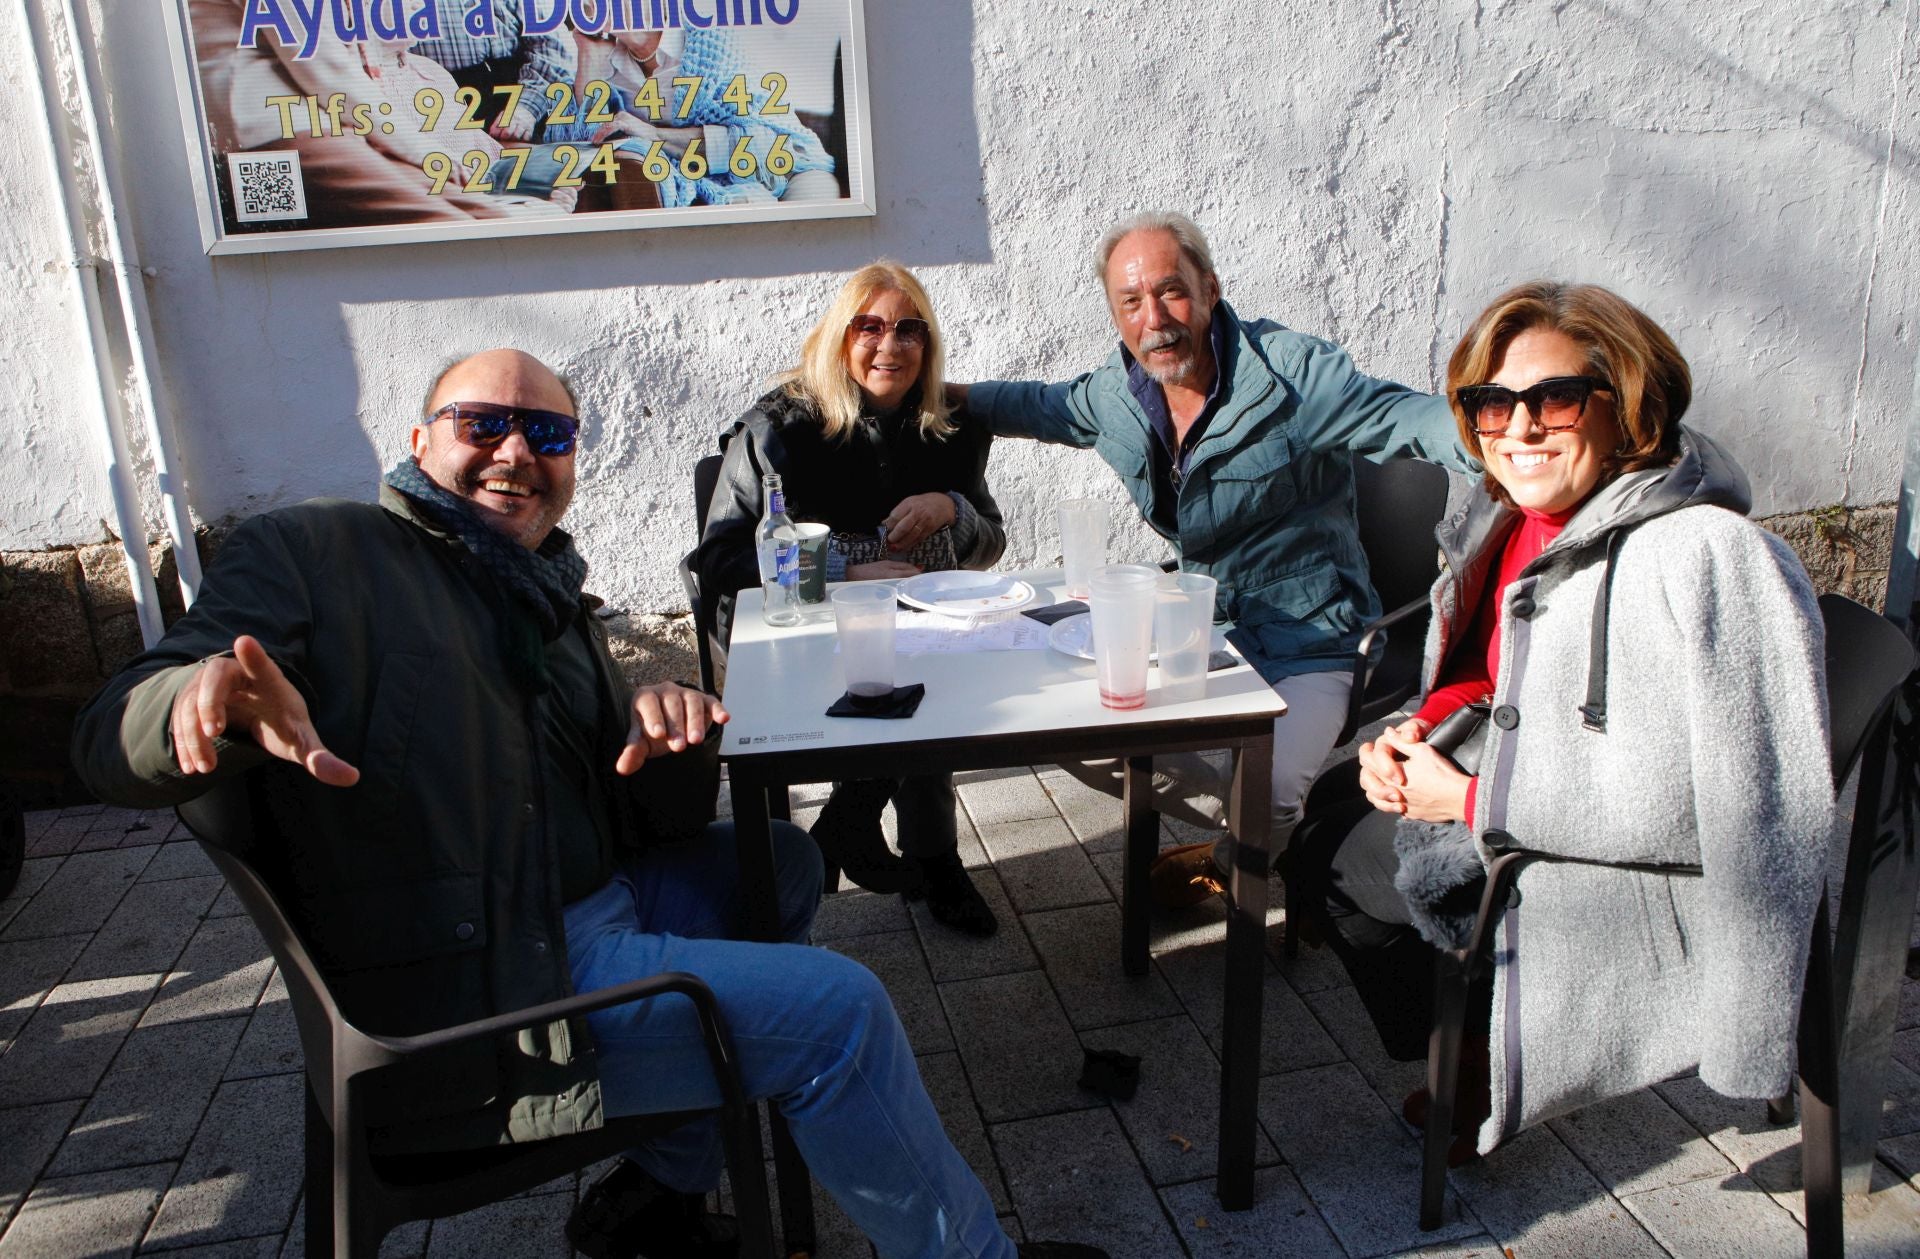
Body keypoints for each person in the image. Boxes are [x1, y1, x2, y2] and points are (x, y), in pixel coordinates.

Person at [70, 350, 1103, 1259]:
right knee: (842, 1012)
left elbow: (644, 821)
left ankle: (660, 1191)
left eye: (547, 431)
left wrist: (661, 727)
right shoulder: (315, 554)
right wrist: (192, 704)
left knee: (781, 863)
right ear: (421, 440)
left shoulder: (545, 594)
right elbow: (111, 729)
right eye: (484, 423)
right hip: (482, 996)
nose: (515, 451)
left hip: (566, 906)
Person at [1294, 281, 1833, 1161]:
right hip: (1524, 787)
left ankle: (1483, 1054)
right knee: (1318, 827)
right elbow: (1480, 668)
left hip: (1620, 873)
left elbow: (1734, 810)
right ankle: (1472, 1043)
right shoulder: (1517, 519)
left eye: (1555, 397)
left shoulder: (1710, 554)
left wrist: (1469, 800)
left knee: (1358, 862)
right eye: (1492, 403)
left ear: (1624, 407)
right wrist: (1413, 735)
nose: (1519, 427)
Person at [954, 212, 1474, 908]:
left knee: (1271, 786)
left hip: (1315, 639)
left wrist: (1507, 429)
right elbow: (1036, 406)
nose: (1155, 319)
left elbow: (1405, 418)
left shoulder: (1291, 376)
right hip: (1204, 632)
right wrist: (931, 395)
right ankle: (1261, 822)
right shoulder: (1116, 396)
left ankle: (1242, 848)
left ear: (1209, 289)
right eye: (1131, 301)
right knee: (1070, 728)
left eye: (1171, 291)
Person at [696, 263, 1007, 936]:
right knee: (903, 657)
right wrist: (837, 571)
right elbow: (718, 560)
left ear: (928, 345)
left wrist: (950, 507)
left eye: (908, 330)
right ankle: (887, 834)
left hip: (907, 617)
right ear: (840, 337)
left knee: (928, 652)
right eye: (868, 327)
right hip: (789, 620)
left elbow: (990, 545)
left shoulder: (949, 427)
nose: (888, 346)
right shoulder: (780, 426)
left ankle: (900, 839)